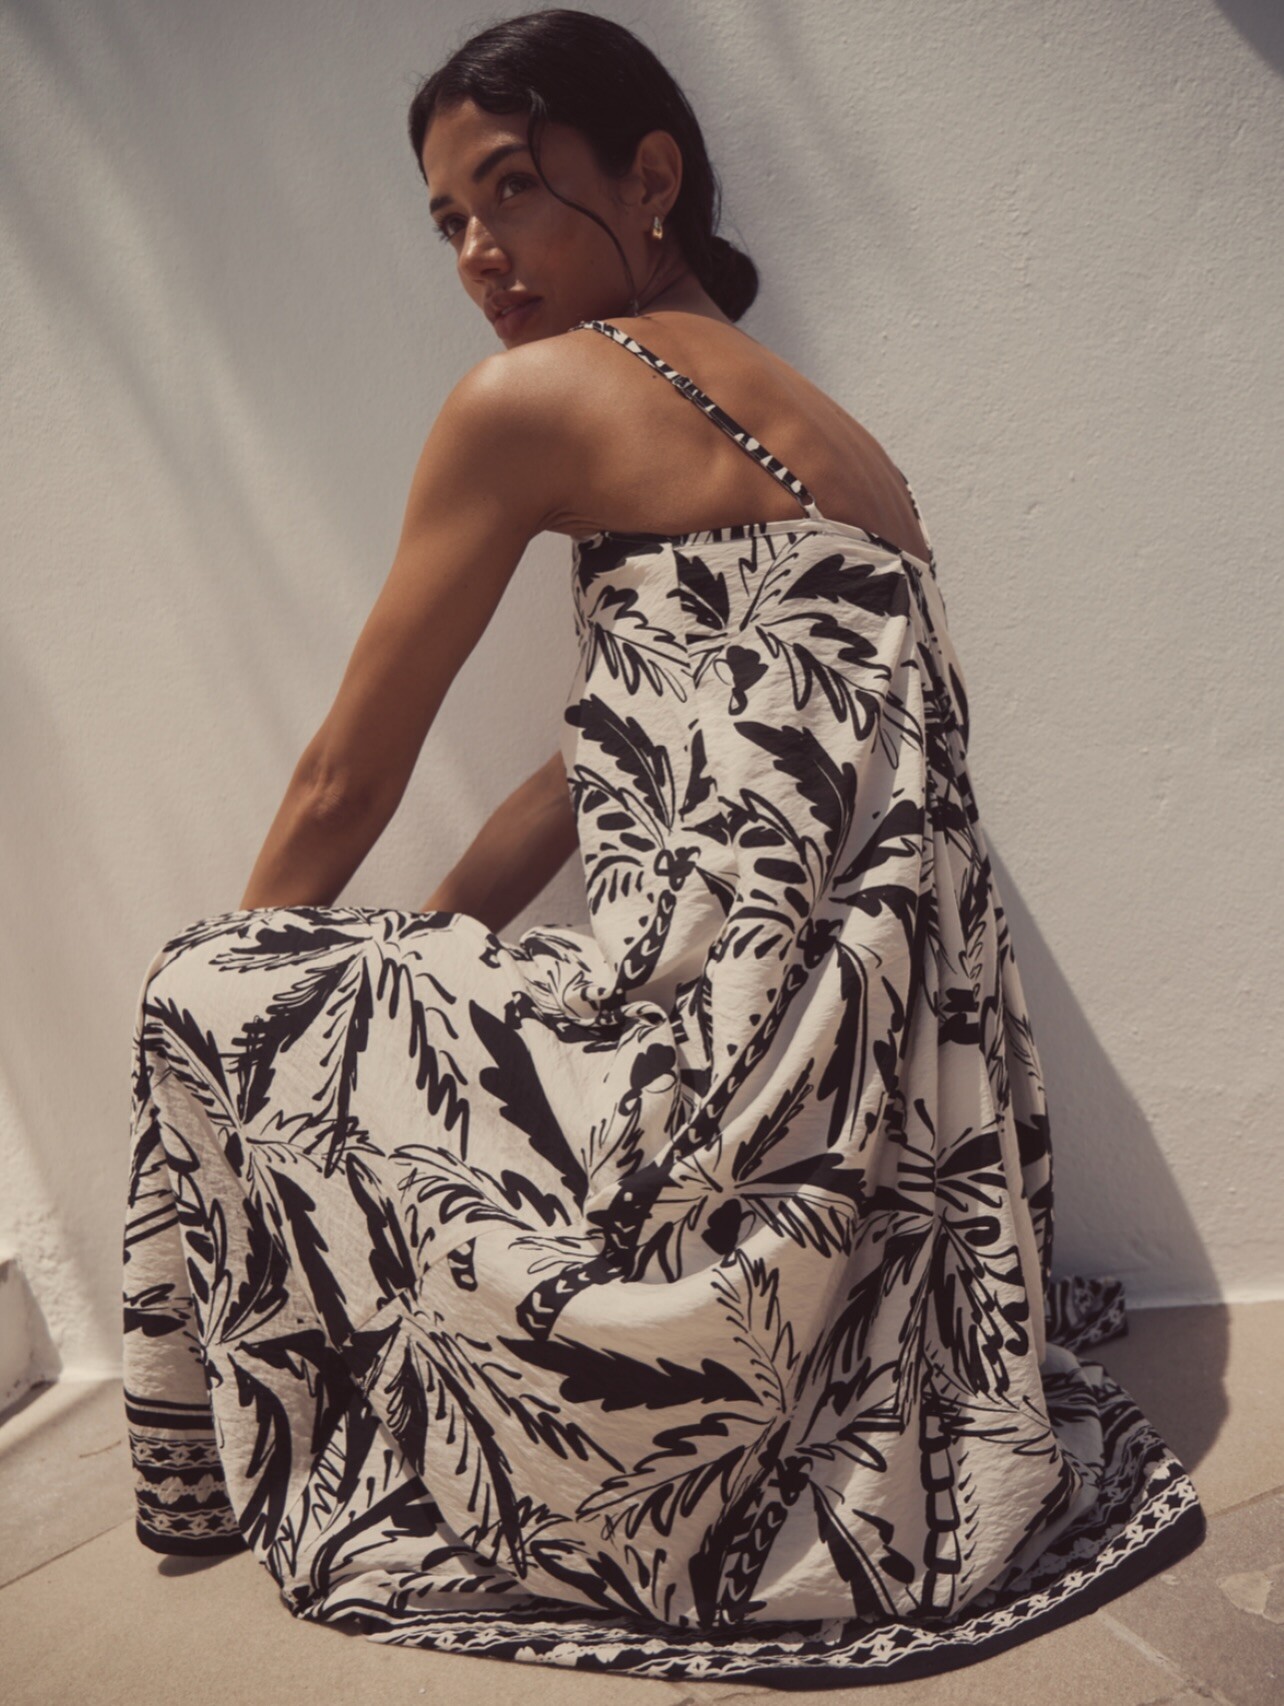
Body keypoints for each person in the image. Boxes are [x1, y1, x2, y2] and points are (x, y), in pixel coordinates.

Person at [121, 7, 1205, 1688]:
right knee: (363, 986)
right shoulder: (850, 456)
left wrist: (261, 1011)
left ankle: (208, 1481)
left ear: (652, 176)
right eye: (447, 220)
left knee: (193, 984)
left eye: (510, 188)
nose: (478, 255)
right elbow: (602, 770)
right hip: (868, 1121)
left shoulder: (535, 399)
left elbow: (345, 774)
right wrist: (418, 952)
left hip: (703, 1073)